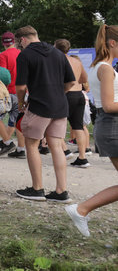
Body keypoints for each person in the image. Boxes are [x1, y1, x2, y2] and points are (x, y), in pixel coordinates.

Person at [65, 25, 118, 237]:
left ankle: (81, 209)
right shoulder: (105, 68)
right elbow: (107, 105)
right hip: (113, 125)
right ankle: (81, 209)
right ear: (113, 43)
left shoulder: (102, 66)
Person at [14, 25, 75, 202]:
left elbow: (20, 86)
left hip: (39, 106)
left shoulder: (25, 55)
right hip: (60, 106)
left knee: (31, 144)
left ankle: (37, 189)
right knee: (57, 146)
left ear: (22, 40)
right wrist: (57, 93)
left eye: (19, 43)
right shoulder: (57, 53)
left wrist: (20, 103)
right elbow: (71, 82)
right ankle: (61, 191)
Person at [54, 39, 90, 168]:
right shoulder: (76, 61)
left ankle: (65, 151)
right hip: (79, 94)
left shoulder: (57, 61)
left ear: (55, 47)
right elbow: (84, 79)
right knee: (78, 126)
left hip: (66, 94)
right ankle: (82, 157)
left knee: (56, 124)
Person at [0, 32, 27, 158]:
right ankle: (21, 149)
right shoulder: (22, 54)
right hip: (22, 92)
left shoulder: (3, 55)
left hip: (8, 92)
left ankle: (7, 143)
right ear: (14, 41)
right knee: (17, 121)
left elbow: (3, 76)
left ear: (3, 43)